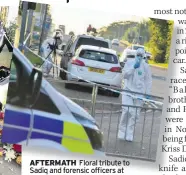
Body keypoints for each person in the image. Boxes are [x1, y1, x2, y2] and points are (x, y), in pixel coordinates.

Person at [118, 48, 152, 142]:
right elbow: (124, 75)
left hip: (139, 93)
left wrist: (147, 93)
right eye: (138, 55)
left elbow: (148, 81)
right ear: (135, 54)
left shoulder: (146, 66)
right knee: (127, 111)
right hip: (127, 90)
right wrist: (133, 67)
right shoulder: (129, 62)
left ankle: (129, 133)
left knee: (135, 114)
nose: (139, 57)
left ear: (144, 56)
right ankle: (122, 131)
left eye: (141, 56)